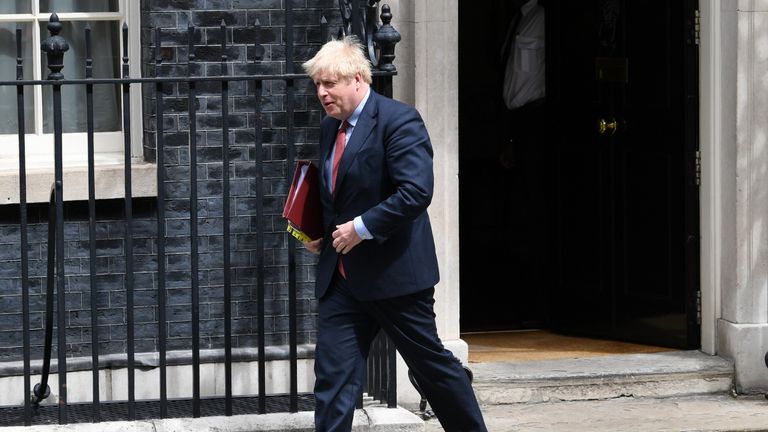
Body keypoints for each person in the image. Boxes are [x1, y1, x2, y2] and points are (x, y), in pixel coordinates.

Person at [301, 36, 488, 432]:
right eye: (317, 84)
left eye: (329, 83)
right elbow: (339, 194)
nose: (321, 92)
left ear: (357, 79)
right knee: (333, 379)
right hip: (342, 279)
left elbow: (416, 191)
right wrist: (320, 230)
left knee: (431, 367)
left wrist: (361, 228)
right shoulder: (328, 128)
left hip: (395, 275)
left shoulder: (398, 120)